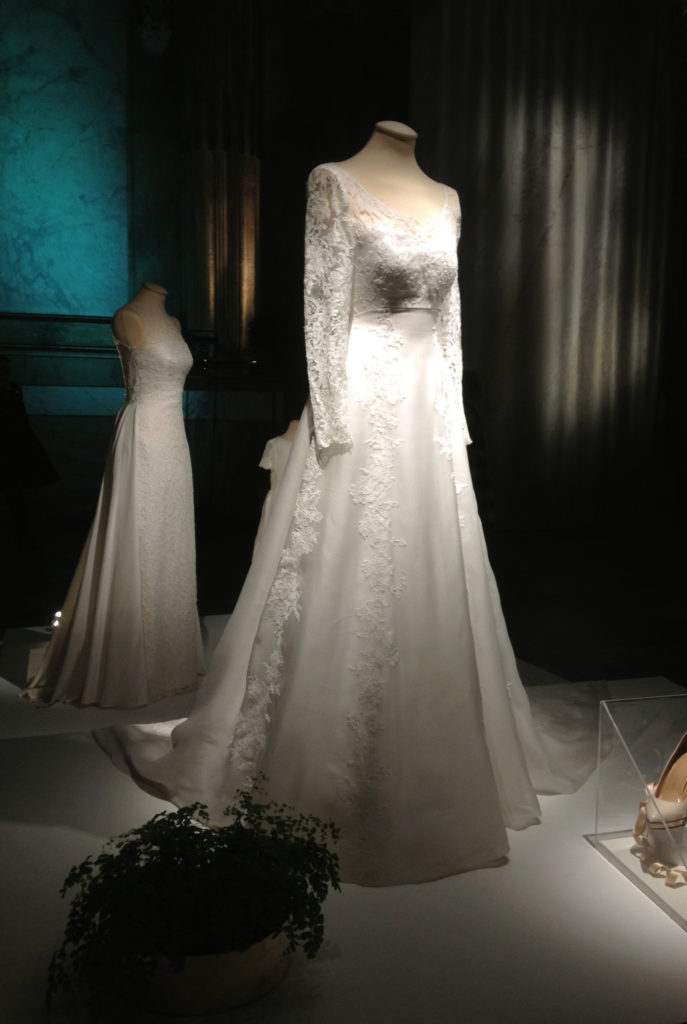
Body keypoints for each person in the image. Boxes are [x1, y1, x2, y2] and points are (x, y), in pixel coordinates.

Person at [97, 122, 586, 886]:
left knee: (431, 572)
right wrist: (330, 412)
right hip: (361, 394)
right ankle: (327, 758)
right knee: (345, 568)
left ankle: (437, 744)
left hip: (426, 406)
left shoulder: (449, 199)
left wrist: (453, 415)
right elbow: (321, 306)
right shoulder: (332, 181)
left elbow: (452, 318)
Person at [22, 284, 204, 707]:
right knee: (135, 536)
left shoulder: (172, 322)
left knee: (168, 539)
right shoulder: (128, 317)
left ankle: (168, 659)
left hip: (174, 439)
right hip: (141, 433)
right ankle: (126, 659)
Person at [0, 355, 58, 550]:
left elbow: (21, 419)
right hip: (9, 446)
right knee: (14, 495)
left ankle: (23, 538)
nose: (5, 373)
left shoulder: (14, 389)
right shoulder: (12, 390)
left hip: (13, 447)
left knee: (15, 496)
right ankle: (23, 538)